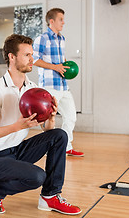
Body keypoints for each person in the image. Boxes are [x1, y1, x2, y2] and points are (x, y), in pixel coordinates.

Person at [0, 34, 81, 215]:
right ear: (12, 57)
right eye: (27, 55)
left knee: (59, 135)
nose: (33, 60)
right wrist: (17, 126)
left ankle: (50, 196)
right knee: (37, 177)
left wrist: (51, 118)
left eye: (32, 55)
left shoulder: (33, 89)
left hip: (15, 150)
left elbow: (46, 132)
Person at [33, 8, 84, 157]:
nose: (63, 22)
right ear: (52, 21)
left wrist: (64, 65)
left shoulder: (61, 39)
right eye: (61, 19)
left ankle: (66, 147)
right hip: (49, 86)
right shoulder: (42, 38)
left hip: (62, 85)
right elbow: (34, 59)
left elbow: (58, 60)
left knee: (71, 116)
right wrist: (54, 67)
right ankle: (49, 148)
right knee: (48, 120)